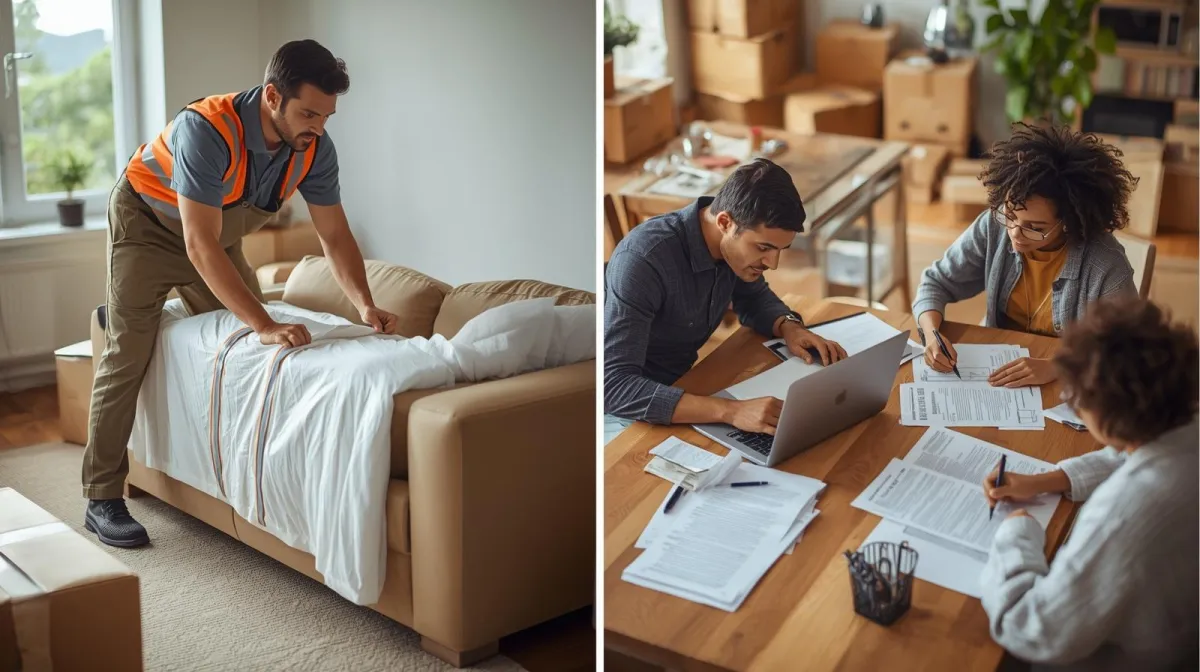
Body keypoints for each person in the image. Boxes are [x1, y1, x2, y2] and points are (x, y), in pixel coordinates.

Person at [83, 40, 401, 548]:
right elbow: (197, 243)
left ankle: (232, 474)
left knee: (247, 347)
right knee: (129, 351)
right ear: (273, 96)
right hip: (148, 225)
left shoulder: (314, 148)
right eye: (308, 112)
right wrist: (266, 320)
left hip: (214, 235)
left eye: (326, 116)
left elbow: (334, 236)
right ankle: (101, 496)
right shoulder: (205, 129)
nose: (317, 126)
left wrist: (363, 303)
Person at [979, 296, 1197, 671]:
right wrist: (1048, 479)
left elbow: (1032, 631)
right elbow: (1134, 454)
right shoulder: (1184, 424)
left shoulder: (1124, 514)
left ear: (1105, 413)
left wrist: (1017, 535)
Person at [603, 158, 846, 443]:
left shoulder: (730, 251)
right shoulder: (644, 260)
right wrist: (730, 411)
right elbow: (615, 388)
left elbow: (754, 297)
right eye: (764, 248)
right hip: (626, 412)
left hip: (686, 390)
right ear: (724, 222)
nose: (773, 263)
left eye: (781, 250)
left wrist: (790, 326)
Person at [912, 123, 1138, 388]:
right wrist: (931, 336)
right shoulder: (994, 226)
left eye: (1035, 228)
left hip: (1071, 380)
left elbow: (1127, 351)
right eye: (1010, 215)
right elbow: (934, 283)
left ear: (1069, 222)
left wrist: (1057, 367)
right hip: (1000, 371)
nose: (1015, 234)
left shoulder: (1105, 265)